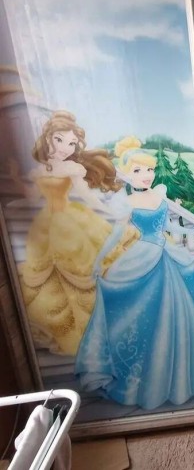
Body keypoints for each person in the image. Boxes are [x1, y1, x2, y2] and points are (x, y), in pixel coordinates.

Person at [75, 137, 194, 410]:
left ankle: (180, 373)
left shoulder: (159, 194)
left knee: (178, 310)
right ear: (127, 173)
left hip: (165, 254)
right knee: (145, 314)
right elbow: (117, 234)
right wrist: (99, 260)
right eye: (138, 170)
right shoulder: (127, 202)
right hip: (142, 256)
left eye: (149, 169)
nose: (146, 175)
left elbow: (169, 227)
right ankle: (146, 375)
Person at [19, 110, 122, 356]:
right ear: (48, 138)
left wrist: (108, 211)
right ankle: (72, 330)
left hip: (71, 221)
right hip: (46, 224)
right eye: (60, 140)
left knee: (83, 269)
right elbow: (32, 198)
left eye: (72, 143)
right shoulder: (38, 170)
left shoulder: (72, 168)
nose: (66, 148)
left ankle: (99, 327)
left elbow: (86, 195)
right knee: (49, 274)